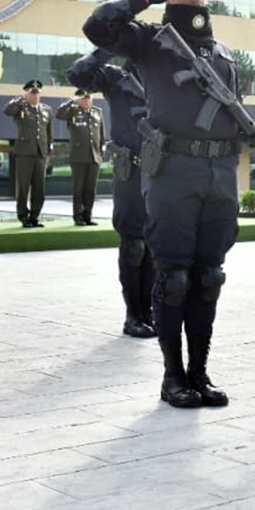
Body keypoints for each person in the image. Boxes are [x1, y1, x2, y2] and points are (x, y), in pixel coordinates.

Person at [86, 0, 255, 406]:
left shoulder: (224, 54)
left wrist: (253, 131)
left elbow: (232, 108)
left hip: (220, 173)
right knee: (173, 277)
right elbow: (97, 26)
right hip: (172, 172)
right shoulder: (150, 41)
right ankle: (173, 378)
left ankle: (200, 373)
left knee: (209, 276)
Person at [69, 47, 156, 339]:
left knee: (156, 246)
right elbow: (78, 74)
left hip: (162, 173)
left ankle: (151, 311)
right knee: (134, 245)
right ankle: (134, 315)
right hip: (131, 172)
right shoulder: (117, 78)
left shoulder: (166, 78)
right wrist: (108, 47)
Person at [4, 79, 52, 227]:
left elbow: (49, 133)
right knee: (23, 187)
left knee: (39, 188)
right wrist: (21, 98)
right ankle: (24, 217)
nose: (36, 95)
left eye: (38, 93)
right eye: (32, 93)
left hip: (40, 153)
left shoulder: (46, 109)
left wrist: (48, 151)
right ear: (27, 94)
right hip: (24, 153)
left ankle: (35, 217)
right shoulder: (21, 107)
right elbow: (7, 110)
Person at [56, 88, 107, 225]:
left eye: (89, 97)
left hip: (94, 156)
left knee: (91, 189)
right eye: (84, 98)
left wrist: (100, 153)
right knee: (78, 188)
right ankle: (78, 217)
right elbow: (59, 114)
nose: (87, 100)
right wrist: (72, 100)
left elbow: (102, 136)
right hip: (79, 156)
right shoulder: (73, 110)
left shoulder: (97, 112)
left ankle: (88, 216)